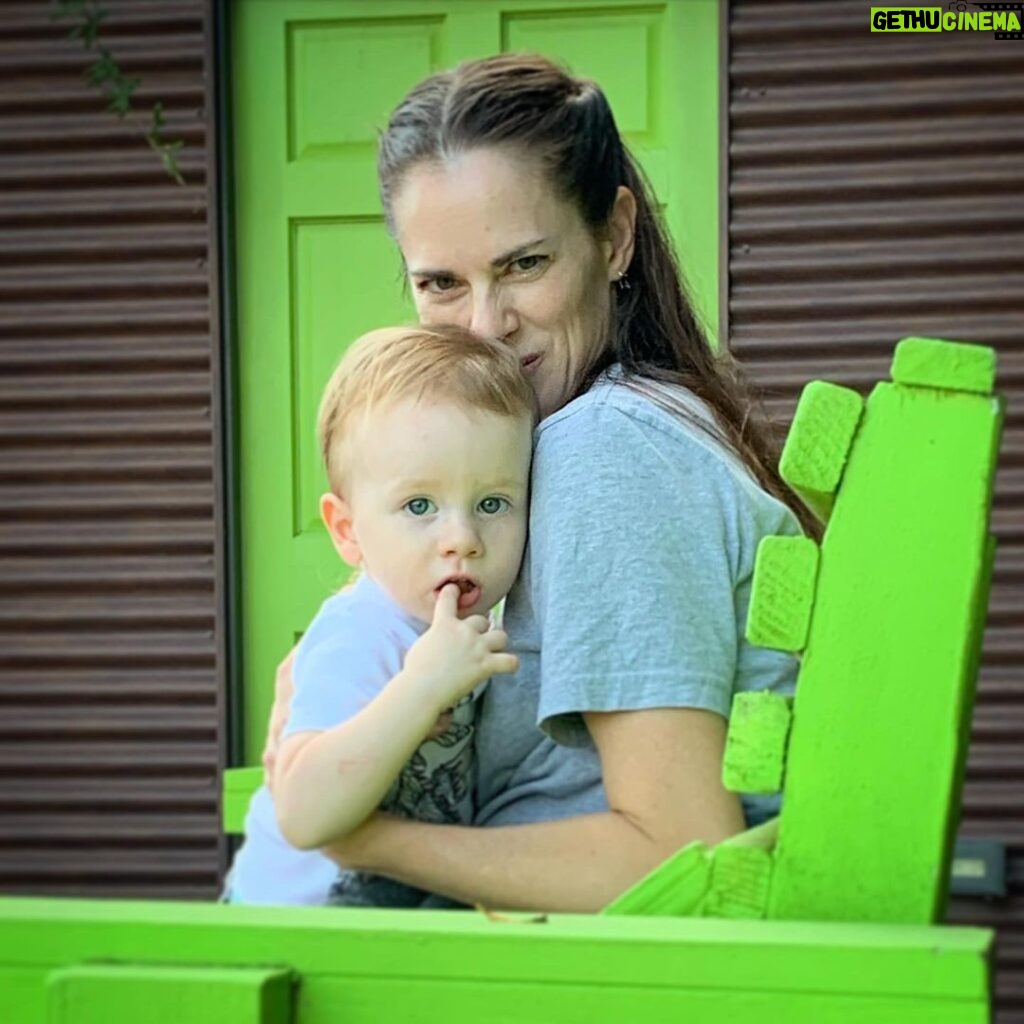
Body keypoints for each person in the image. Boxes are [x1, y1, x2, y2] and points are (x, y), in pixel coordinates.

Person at [262, 53, 816, 913]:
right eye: (441, 283)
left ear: (615, 235)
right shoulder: (589, 435)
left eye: (523, 264)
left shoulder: (606, 451)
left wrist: (361, 838)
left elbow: (680, 854)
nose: (485, 327)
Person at [226, 324, 535, 906]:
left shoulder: (472, 634)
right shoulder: (362, 634)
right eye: (419, 505)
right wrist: (421, 689)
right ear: (347, 530)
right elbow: (303, 815)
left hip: (386, 924)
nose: (462, 538)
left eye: (493, 503)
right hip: (292, 929)